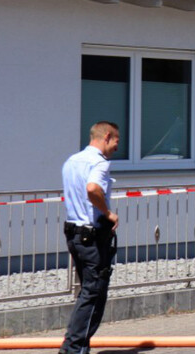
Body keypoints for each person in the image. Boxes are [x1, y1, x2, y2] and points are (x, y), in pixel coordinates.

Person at [59, 121, 120, 354]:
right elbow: (93, 189)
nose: (116, 146)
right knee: (94, 295)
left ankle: (74, 346)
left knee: (87, 292)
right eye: (116, 141)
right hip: (91, 236)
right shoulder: (99, 163)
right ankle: (74, 349)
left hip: (74, 233)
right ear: (106, 136)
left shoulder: (72, 161)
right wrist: (108, 213)